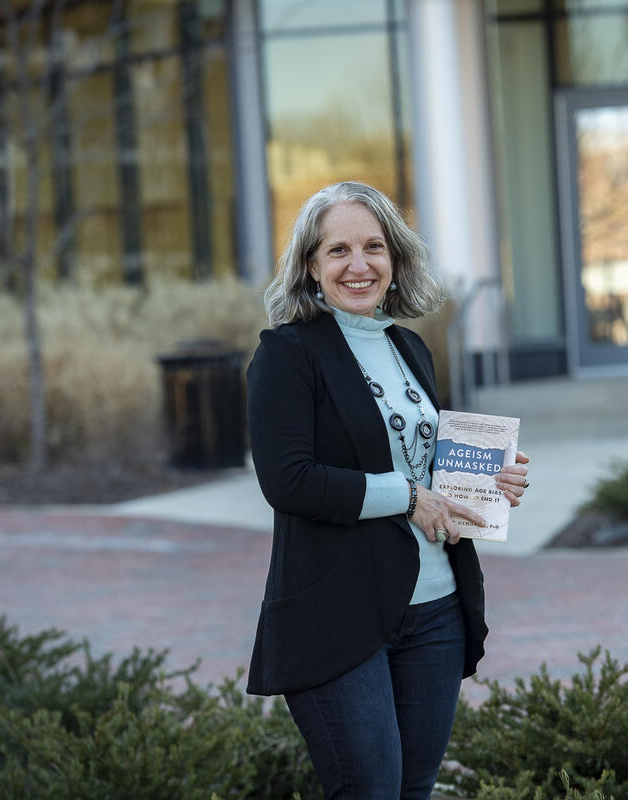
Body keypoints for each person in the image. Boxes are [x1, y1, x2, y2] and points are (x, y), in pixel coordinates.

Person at [245, 181, 530, 800]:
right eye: (338, 250)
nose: (359, 264)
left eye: (374, 246)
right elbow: (287, 480)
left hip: (436, 610)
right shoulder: (287, 355)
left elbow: (425, 466)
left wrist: (489, 483)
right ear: (311, 267)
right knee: (370, 790)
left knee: (413, 790)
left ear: (394, 259)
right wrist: (407, 496)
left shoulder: (409, 348)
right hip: (338, 611)